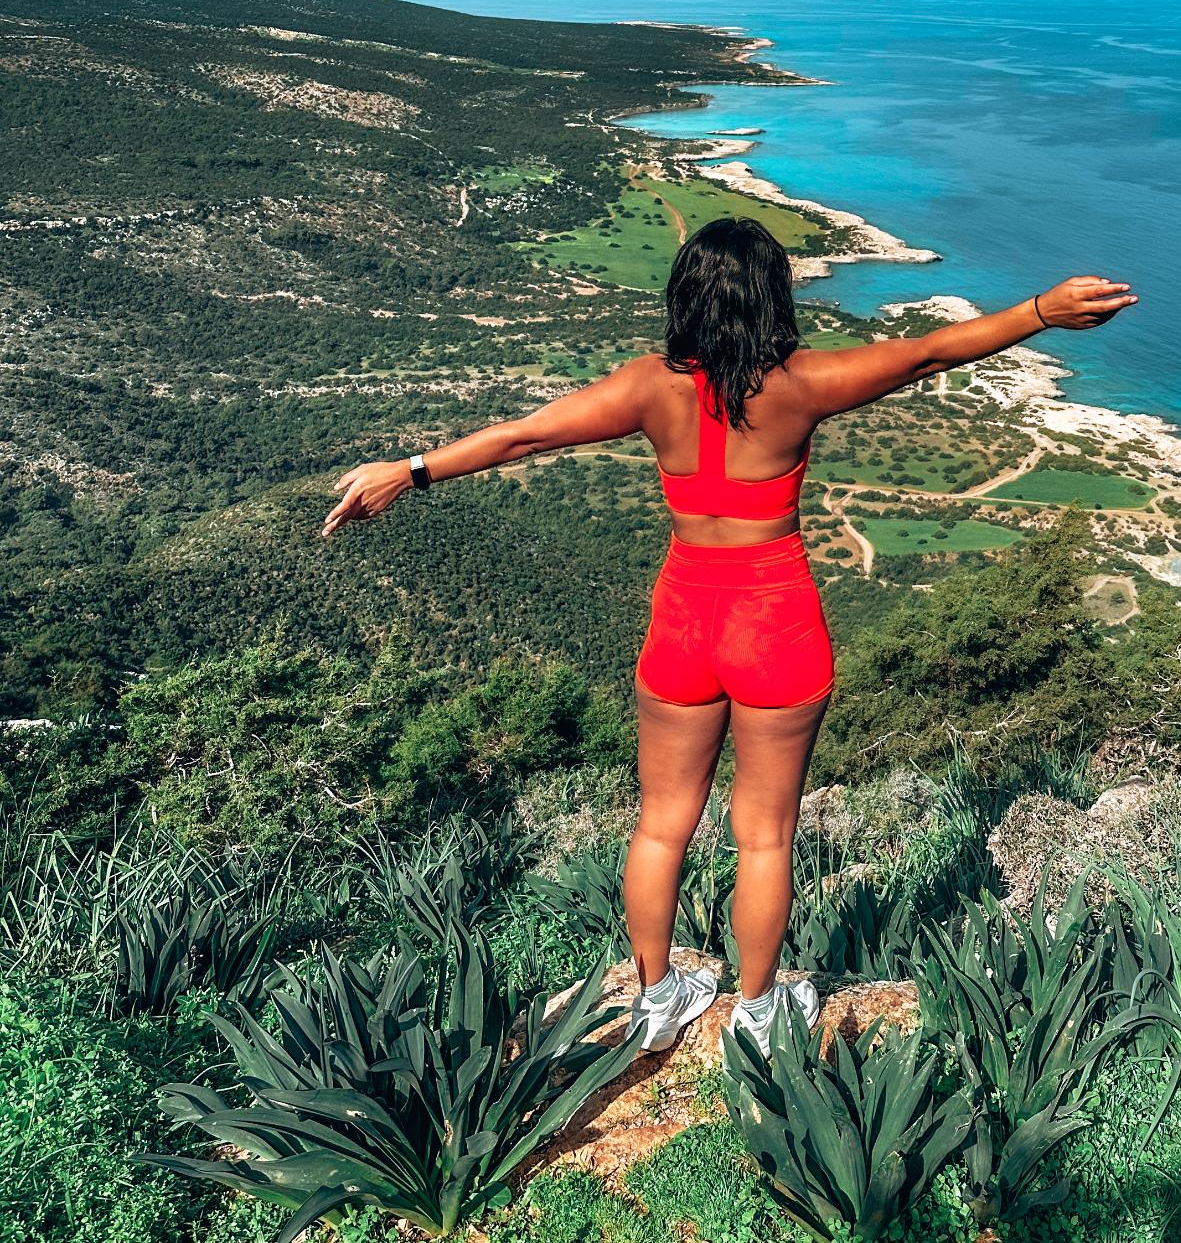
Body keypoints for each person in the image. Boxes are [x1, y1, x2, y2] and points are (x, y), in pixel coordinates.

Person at [322, 216, 1136, 1053]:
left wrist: (408, 470)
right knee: (765, 833)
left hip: (682, 620)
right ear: (774, 298)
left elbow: (523, 434)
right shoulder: (803, 384)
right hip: (774, 621)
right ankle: (756, 1009)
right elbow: (930, 352)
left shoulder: (649, 386)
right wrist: (1042, 309)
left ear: (685, 295)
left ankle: (657, 998)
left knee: (660, 823)